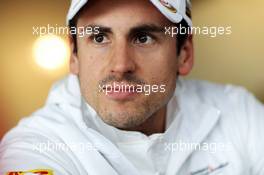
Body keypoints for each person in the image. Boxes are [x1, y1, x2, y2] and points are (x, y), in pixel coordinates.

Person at [1, 0, 264, 174]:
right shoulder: (35, 146)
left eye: (143, 37)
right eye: (99, 37)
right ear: (74, 55)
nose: (120, 64)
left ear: (184, 53)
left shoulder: (237, 111)